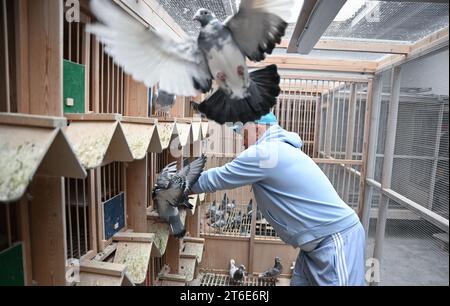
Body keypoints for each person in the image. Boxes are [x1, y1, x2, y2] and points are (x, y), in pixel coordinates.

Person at [190, 112, 366, 286]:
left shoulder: (266, 152)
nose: (242, 142)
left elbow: (217, 178)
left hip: (336, 240)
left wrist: (179, 184)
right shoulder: (277, 148)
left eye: (243, 134)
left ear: (257, 129)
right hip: (314, 246)